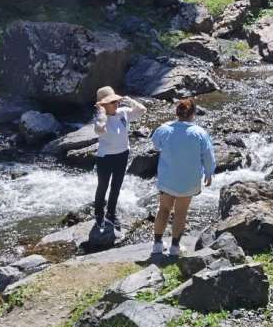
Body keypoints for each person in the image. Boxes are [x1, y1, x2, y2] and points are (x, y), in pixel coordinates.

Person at [149, 98, 216, 256]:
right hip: (189, 180)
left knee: (163, 210)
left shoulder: (164, 129)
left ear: (176, 113)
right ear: (193, 114)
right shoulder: (200, 133)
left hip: (167, 178)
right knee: (181, 213)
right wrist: (208, 173)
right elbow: (208, 156)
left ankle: (157, 244)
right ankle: (174, 247)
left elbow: (156, 144)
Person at [93, 86, 146, 231]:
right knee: (103, 187)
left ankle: (111, 213)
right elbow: (99, 129)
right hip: (105, 157)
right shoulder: (100, 118)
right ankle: (98, 214)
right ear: (103, 105)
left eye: (116, 101)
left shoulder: (123, 112)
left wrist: (129, 101)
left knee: (116, 186)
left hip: (123, 154)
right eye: (112, 102)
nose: (116, 104)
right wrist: (102, 112)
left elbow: (142, 110)